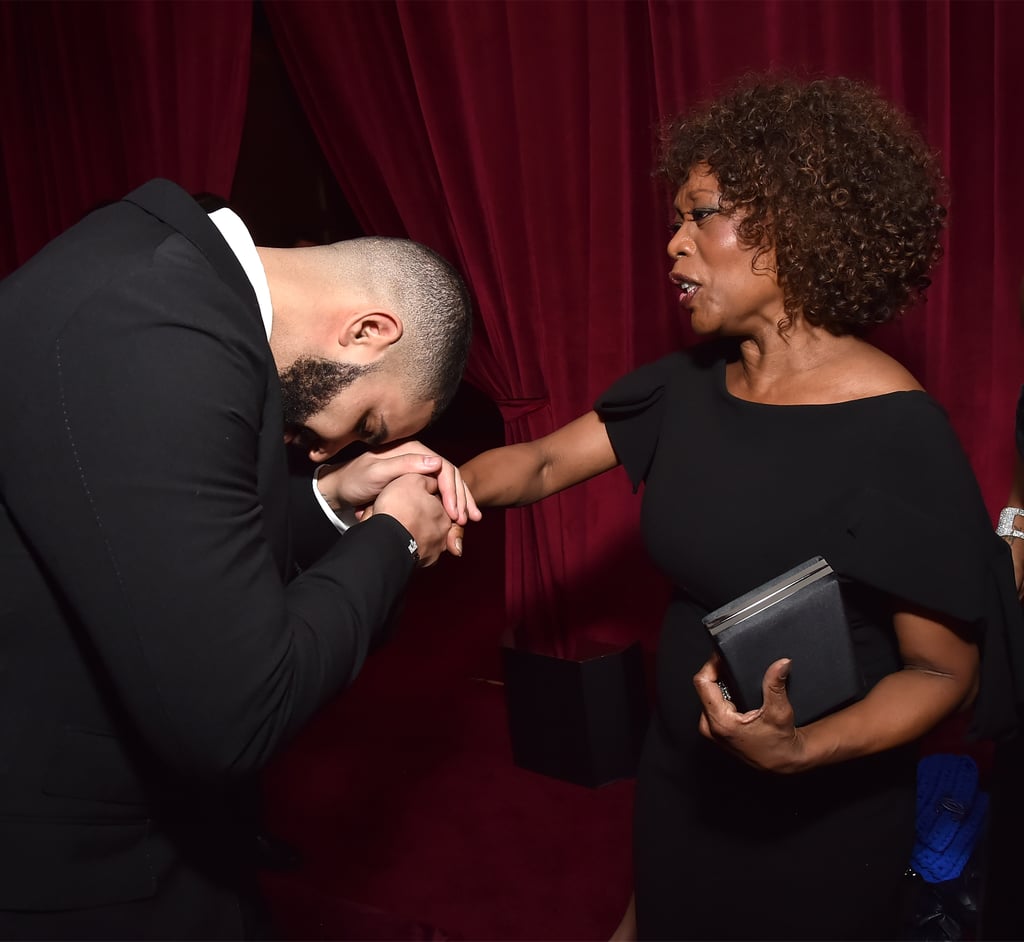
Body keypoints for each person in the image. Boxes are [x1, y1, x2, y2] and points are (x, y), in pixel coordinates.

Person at [460, 75, 1024, 940]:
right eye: (675, 220)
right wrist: (430, 489)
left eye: (700, 214)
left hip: (819, 813)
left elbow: (946, 676)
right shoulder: (685, 388)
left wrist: (800, 750)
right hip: (684, 765)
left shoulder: (896, 432)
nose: (674, 245)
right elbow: (538, 465)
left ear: (793, 224)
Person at [0, 177, 478, 939]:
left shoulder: (173, 275)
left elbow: (142, 515)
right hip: (82, 867)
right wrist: (396, 537)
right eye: (369, 422)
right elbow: (239, 716)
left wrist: (331, 497)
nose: (330, 445)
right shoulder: (161, 331)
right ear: (368, 331)